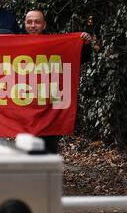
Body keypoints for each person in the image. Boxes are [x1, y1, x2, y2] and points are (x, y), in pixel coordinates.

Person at [24, 10, 97, 154]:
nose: (33, 25)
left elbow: (79, 58)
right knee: (26, 146)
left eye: (37, 22)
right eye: (29, 22)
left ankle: (49, 174)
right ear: (25, 24)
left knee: (49, 147)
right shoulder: (15, 44)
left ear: (44, 25)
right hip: (25, 106)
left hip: (50, 108)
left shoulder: (56, 44)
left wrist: (85, 43)